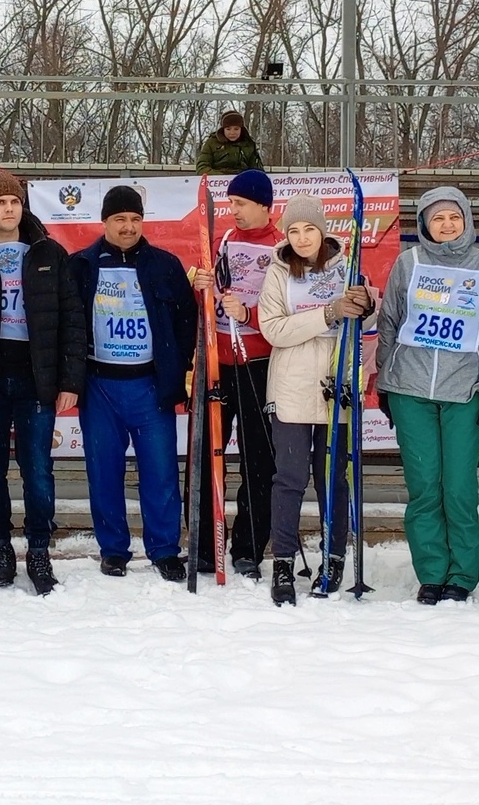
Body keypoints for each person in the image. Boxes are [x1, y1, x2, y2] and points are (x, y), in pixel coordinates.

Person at [373, 186, 479, 604]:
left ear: (466, 219)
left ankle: (462, 575)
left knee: (458, 489)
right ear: (425, 225)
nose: (447, 224)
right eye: (438, 218)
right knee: (424, 486)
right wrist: (385, 380)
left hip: (463, 390)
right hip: (410, 389)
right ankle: (431, 572)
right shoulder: (409, 262)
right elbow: (390, 322)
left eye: (454, 217)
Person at [0, 171, 84, 596]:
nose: (9, 209)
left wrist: (69, 379)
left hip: (37, 378)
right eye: (0, 203)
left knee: (38, 471)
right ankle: (0, 549)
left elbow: (71, 320)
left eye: (15, 202)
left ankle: (40, 549)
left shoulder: (49, 252)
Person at [66, 184, 199, 581]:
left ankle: (164, 550)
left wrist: (178, 368)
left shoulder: (165, 265)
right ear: (105, 221)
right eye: (120, 219)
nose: (128, 226)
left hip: (149, 386)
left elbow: (185, 320)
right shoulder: (81, 265)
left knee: (160, 473)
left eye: (135, 219)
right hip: (99, 384)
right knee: (103, 472)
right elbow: (68, 325)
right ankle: (113, 549)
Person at [253, 207, 374, 605]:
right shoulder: (278, 271)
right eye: (294, 230)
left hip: (336, 384)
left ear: (322, 232)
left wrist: (364, 304)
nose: (302, 238)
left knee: (332, 479)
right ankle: (283, 561)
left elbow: (367, 321)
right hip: (291, 385)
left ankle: (333, 556)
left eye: (309, 229)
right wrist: (327, 312)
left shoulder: (347, 267)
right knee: (289, 478)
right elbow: (273, 329)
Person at [205, 168, 284, 578]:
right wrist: (199, 282)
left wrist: (249, 314)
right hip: (220, 360)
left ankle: (249, 545)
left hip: (259, 362)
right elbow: (211, 290)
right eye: (231, 203)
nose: (233, 210)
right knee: (207, 455)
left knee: (258, 461)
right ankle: (204, 543)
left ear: (264, 206)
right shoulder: (224, 240)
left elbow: (289, 310)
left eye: (241, 204)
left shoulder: (280, 248)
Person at [194, 109, 265, 174]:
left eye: (236, 129)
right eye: (228, 129)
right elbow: (202, 168)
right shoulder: (212, 143)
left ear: (241, 129)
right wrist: (222, 177)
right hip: (217, 183)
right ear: (223, 129)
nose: (232, 132)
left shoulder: (248, 144)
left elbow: (257, 170)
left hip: (242, 182)